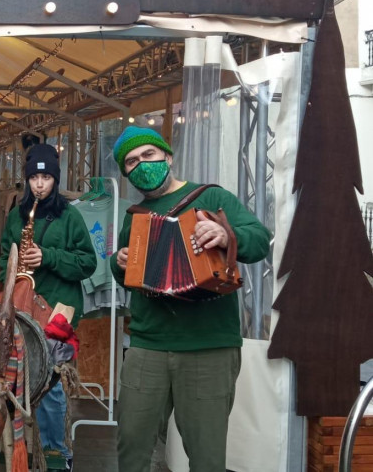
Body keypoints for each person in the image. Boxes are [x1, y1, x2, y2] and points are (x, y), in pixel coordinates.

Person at [108, 126, 271, 472]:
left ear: (167, 156)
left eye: (148, 155)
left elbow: (259, 239)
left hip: (208, 346)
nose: (142, 166)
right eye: (132, 163)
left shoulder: (212, 198)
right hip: (147, 344)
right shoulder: (134, 217)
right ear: (126, 175)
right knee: (131, 447)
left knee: (207, 456)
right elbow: (127, 273)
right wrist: (118, 262)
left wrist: (226, 234)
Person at [0, 143, 97, 471]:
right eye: (34, 177)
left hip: (57, 316)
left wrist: (48, 257)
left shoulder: (72, 216)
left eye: (46, 177)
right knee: (12, 382)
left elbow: (88, 263)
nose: (40, 184)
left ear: (55, 179)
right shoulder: (16, 215)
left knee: (52, 390)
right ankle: (14, 451)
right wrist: (11, 275)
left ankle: (57, 457)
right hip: (20, 312)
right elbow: (2, 258)